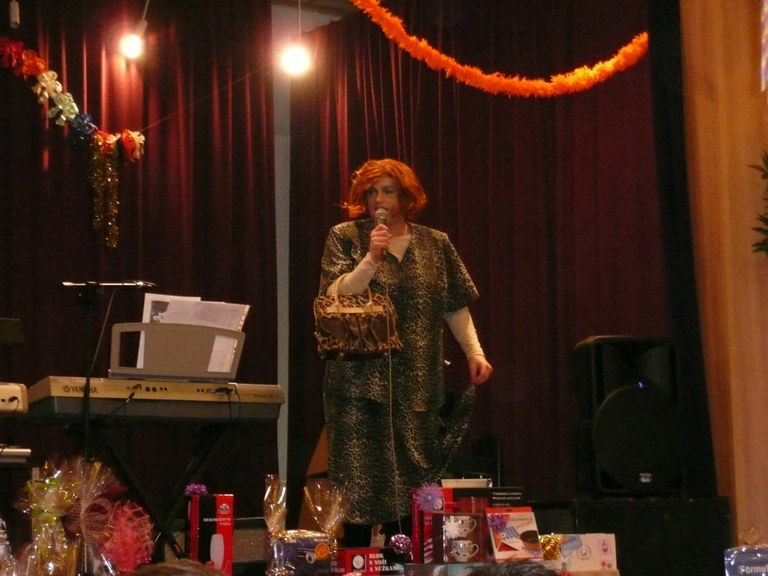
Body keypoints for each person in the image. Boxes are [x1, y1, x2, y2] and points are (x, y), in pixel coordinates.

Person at [318, 158, 493, 547]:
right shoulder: (345, 236)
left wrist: (474, 353)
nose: (378, 199)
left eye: (388, 191)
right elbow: (334, 297)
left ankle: (409, 560)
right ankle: (356, 560)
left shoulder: (436, 243)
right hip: (357, 385)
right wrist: (371, 258)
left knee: (415, 479)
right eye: (371, 192)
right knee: (359, 479)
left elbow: (455, 306)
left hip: (417, 383)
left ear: (407, 196)